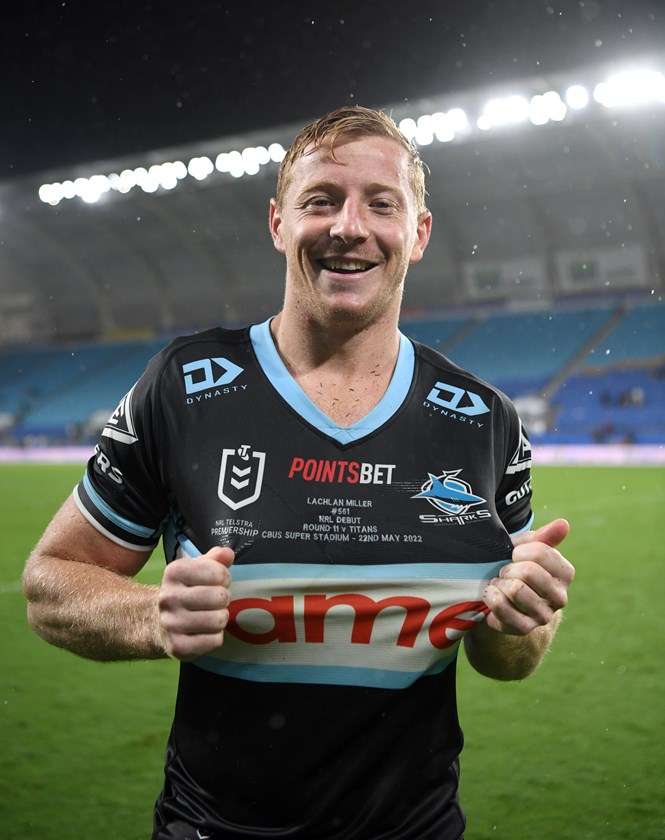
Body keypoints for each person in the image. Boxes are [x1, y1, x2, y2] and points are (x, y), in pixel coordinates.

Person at [23, 105, 575, 840]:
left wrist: (519, 617)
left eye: (382, 203)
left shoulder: (480, 420)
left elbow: (509, 659)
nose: (349, 226)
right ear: (279, 223)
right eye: (321, 200)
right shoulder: (187, 386)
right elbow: (50, 582)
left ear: (418, 233)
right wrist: (149, 614)